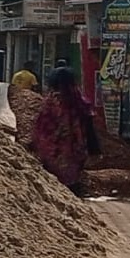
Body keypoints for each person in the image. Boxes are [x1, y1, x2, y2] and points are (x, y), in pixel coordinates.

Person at [28, 67, 100, 196]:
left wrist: (34, 143)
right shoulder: (78, 100)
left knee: (55, 178)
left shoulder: (50, 102)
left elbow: (41, 126)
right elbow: (88, 123)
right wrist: (93, 146)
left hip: (52, 152)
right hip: (74, 150)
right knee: (70, 178)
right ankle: (72, 192)